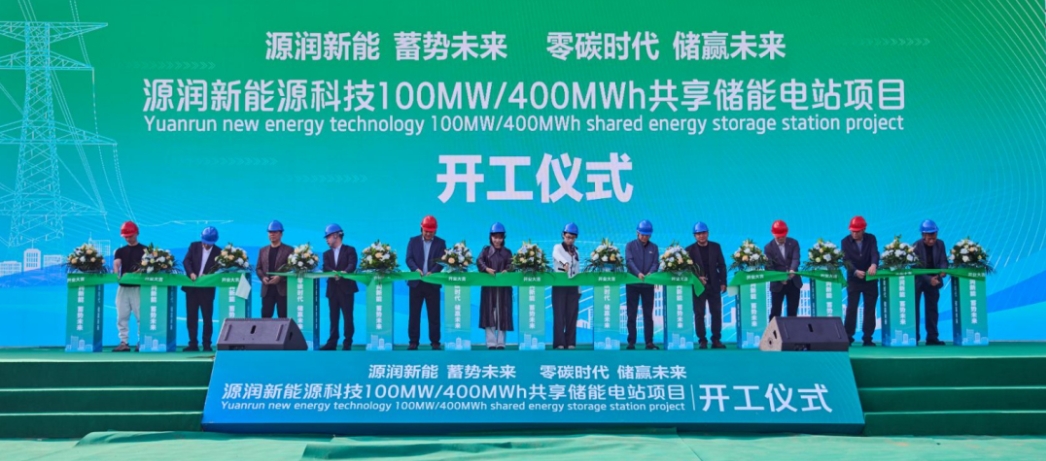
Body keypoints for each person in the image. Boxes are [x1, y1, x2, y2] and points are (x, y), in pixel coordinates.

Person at [406, 215, 446, 350]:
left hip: (432, 284)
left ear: (435, 231)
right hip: (416, 283)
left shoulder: (441, 243)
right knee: (414, 314)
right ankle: (413, 341)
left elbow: (442, 261)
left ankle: (435, 342)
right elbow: (409, 259)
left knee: (434, 315)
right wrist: (415, 269)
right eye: (426, 231)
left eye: (431, 231)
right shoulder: (413, 241)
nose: (428, 234)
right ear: (421, 229)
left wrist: (433, 272)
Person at [685, 222, 727, 349]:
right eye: (698, 234)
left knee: (716, 312)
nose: (701, 236)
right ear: (694, 236)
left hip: (714, 285)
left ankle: (716, 339)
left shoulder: (716, 247)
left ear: (707, 233)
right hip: (699, 286)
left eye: (703, 233)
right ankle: (702, 340)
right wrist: (698, 278)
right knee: (699, 313)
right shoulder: (689, 250)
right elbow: (687, 270)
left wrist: (723, 282)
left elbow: (722, 265)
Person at [841, 216, 880, 346]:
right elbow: (846, 260)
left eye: (857, 231)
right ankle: (848, 337)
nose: (854, 233)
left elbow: (874, 253)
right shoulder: (845, 241)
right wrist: (855, 271)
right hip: (854, 279)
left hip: (870, 278)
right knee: (851, 308)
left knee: (870, 308)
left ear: (864, 229)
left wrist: (874, 264)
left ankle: (868, 337)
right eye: (852, 231)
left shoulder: (871, 238)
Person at [181, 226, 220, 352]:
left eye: (209, 243)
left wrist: (208, 276)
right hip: (192, 288)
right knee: (191, 317)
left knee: (207, 318)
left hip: (207, 289)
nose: (206, 245)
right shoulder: (194, 246)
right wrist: (191, 273)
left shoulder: (219, 252)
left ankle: (207, 344)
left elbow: (219, 269)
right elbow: (186, 261)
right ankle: (193, 343)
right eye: (205, 242)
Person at [321, 223, 358, 351]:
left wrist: (343, 273)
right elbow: (326, 267)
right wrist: (334, 273)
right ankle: (332, 342)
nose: (326, 240)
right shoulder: (326, 254)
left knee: (348, 317)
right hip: (332, 289)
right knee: (333, 317)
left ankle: (347, 343)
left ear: (336, 236)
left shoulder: (350, 250)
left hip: (346, 289)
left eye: (328, 237)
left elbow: (352, 265)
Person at [477, 222, 513, 350]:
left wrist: (507, 270)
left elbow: (512, 265)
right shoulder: (486, 251)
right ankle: (491, 342)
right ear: (491, 237)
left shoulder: (507, 252)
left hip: (503, 289)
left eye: (500, 237)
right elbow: (479, 261)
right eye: (495, 237)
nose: (497, 240)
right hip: (489, 289)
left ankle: (501, 343)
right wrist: (486, 269)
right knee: (489, 314)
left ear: (503, 238)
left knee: (502, 313)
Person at [626, 219, 660, 350]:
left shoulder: (654, 247)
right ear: (637, 233)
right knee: (631, 314)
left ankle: (649, 342)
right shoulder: (630, 245)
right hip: (633, 284)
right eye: (642, 234)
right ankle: (631, 342)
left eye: (647, 235)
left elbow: (655, 263)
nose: (645, 237)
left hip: (648, 285)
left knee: (648, 314)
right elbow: (629, 261)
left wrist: (650, 273)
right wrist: (638, 273)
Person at [112, 221, 146, 352]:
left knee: (141, 316)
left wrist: (136, 273)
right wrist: (116, 272)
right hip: (123, 287)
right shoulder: (120, 251)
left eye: (130, 236)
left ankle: (141, 342)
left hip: (138, 287)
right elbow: (117, 263)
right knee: (122, 315)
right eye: (125, 236)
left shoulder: (145, 250)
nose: (128, 238)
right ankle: (123, 342)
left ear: (137, 233)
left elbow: (146, 267)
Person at [914, 219, 948, 346]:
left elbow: (943, 260)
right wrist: (929, 279)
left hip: (935, 280)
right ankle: (914, 337)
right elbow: (916, 268)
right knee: (914, 309)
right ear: (923, 235)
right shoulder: (916, 246)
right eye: (929, 237)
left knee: (932, 310)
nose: (932, 240)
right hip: (919, 281)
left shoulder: (941, 244)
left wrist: (943, 271)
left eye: (934, 236)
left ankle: (932, 338)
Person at [765, 220, 802, 319]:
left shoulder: (793, 243)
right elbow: (769, 267)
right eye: (778, 236)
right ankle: (773, 329)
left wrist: (792, 270)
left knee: (792, 312)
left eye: (783, 236)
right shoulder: (768, 248)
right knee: (775, 312)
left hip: (793, 282)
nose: (781, 238)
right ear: (773, 234)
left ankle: (792, 329)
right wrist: (780, 278)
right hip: (777, 284)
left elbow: (796, 259)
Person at [552, 223, 581, 350]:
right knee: (559, 314)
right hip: (559, 285)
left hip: (573, 286)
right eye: (568, 237)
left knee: (572, 315)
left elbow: (577, 270)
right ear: (563, 235)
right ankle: (559, 342)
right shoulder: (558, 247)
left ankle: (570, 342)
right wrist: (565, 263)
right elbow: (556, 255)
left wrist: (579, 289)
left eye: (573, 238)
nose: (570, 240)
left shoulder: (576, 251)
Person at [256, 220, 293, 318]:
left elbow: (291, 268)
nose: (272, 234)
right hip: (267, 289)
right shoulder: (263, 250)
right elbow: (258, 268)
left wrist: (280, 277)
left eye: (275, 232)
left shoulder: (289, 250)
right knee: (265, 317)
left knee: (283, 317)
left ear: (281, 234)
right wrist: (263, 277)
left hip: (282, 290)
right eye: (270, 232)